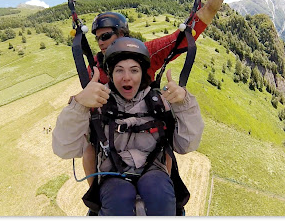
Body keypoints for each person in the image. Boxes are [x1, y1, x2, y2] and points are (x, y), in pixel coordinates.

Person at [52, 37, 204, 215]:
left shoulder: (159, 103)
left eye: (134, 70)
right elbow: (64, 149)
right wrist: (79, 105)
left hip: (155, 172)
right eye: (119, 70)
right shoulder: (97, 106)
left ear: (142, 74)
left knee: (158, 191)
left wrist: (183, 103)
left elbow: (187, 144)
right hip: (112, 178)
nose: (127, 77)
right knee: (119, 196)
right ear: (110, 74)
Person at [81, 0, 224, 186]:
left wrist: (210, 9)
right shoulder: (96, 68)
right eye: (97, 38)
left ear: (122, 33)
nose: (100, 42)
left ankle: (167, 185)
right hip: (113, 123)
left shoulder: (146, 52)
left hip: (147, 118)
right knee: (89, 143)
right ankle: (94, 197)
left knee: (165, 142)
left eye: (105, 36)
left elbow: (178, 40)